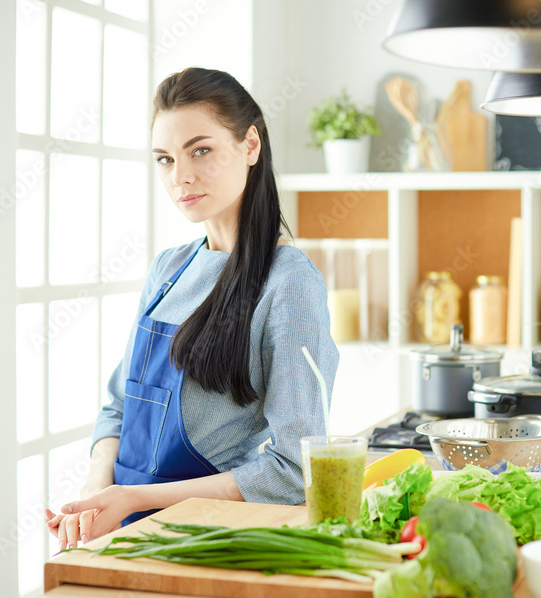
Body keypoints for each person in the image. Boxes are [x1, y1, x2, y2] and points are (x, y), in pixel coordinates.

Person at [44, 68, 338, 550]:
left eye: (200, 150)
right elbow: (118, 406)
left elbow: (293, 470)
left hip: (204, 539)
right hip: (122, 527)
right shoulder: (168, 270)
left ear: (250, 146)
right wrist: (97, 488)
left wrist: (136, 497)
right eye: (164, 159)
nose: (180, 176)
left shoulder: (289, 283)